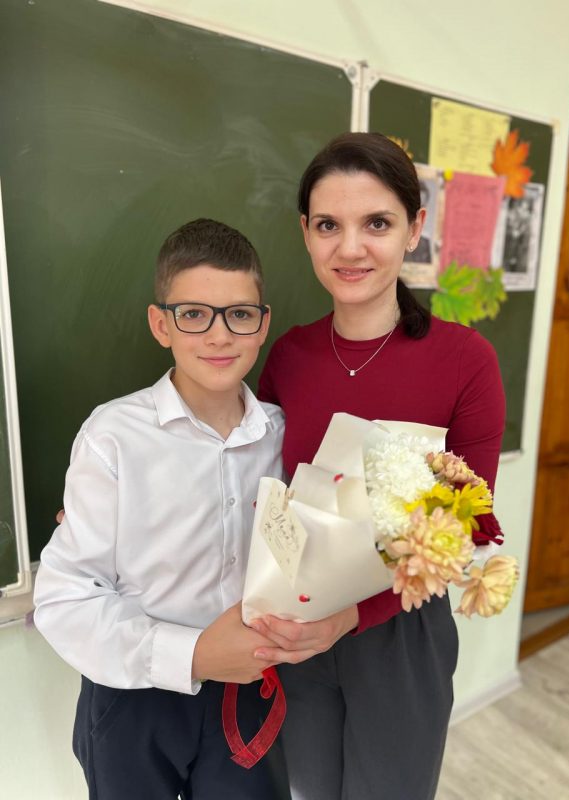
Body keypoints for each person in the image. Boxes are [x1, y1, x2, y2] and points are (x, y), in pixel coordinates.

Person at [249, 132, 506, 800]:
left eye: (377, 224)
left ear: (415, 229)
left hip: (401, 630)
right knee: (306, 790)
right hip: (299, 620)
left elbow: (468, 522)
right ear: (306, 233)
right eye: (328, 225)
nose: (350, 248)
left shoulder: (465, 361)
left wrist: (351, 618)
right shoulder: (289, 357)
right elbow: (256, 481)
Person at [33, 218, 287, 800]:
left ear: (263, 323)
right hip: (133, 697)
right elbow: (66, 596)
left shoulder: (282, 434)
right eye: (194, 314)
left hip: (246, 690)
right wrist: (193, 654)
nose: (219, 336)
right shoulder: (113, 436)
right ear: (160, 324)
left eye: (239, 314)